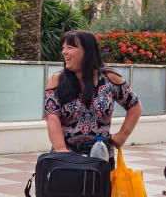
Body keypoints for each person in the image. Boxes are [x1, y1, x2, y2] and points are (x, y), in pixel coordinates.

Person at [44, 31, 142, 160]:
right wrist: (61, 150)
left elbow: (134, 106)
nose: (64, 52)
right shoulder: (56, 80)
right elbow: (52, 117)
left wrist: (122, 135)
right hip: (67, 157)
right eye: (63, 48)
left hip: (101, 157)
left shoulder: (111, 78)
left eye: (70, 47)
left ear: (87, 51)